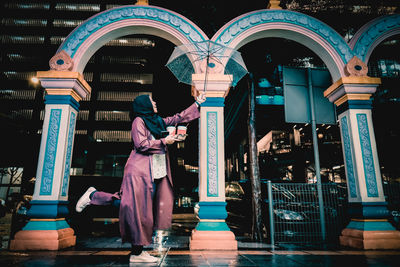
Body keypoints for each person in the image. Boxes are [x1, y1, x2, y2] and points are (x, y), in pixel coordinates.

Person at [75, 93, 205, 263]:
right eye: (152, 100)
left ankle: (138, 252)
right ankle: (94, 196)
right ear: (145, 105)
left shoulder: (156, 121)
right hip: (138, 171)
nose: (155, 101)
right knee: (133, 207)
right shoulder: (139, 121)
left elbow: (177, 118)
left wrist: (197, 103)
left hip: (153, 172)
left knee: (142, 212)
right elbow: (141, 144)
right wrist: (164, 141)